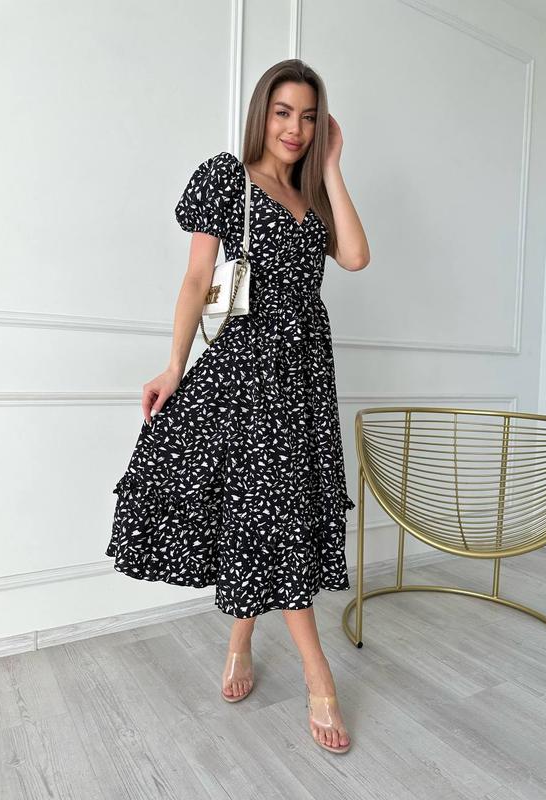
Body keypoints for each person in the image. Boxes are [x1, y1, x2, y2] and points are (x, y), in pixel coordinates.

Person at [105, 58, 370, 755]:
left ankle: (239, 640)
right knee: (271, 513)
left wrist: (332, 164)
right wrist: (174, 365)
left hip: (305, 378)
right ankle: (319, 675)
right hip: (248, 374)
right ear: (262, 114)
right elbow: (197, 280)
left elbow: (355, 257)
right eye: (283, 112)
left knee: (267, 513)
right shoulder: (228, 179)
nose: (295, 128)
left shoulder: (312, 195)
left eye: (308, 116)